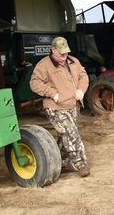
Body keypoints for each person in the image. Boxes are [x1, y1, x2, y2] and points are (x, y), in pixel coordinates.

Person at [30, 36, 90, 177]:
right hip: (55, 106)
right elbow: (34, 83)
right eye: (61, 54)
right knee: (71, 134)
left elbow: (84, 76)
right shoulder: (43, 65)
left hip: (73, 105)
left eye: (66, 53)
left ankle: (61, 162)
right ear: (53, 50)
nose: (64, 57)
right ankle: (81, 164)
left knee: (65, 135)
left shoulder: (74, 61)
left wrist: (81, 90)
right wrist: (52, 93)